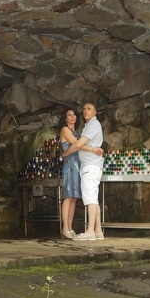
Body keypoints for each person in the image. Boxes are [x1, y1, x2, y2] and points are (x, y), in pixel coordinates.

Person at [63, 102, 104, 241]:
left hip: (90, 166)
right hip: (87, 165)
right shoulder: (87, 126)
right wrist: (93, 149)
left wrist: (65, 153)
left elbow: (78, 145)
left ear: (95, 112)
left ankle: (90, 231)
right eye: (84, 109)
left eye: (89, 109)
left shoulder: (93, 125)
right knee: (92, 198)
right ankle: (97, 230)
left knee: (90, 198)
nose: (86, 111)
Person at [58, 108, 82, 239]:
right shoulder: (65, 130)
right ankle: (65, 228)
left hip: (77, 165)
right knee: (68, 196)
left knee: (74, 197)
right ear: (65, 118)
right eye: (69, 115)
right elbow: (76, 144)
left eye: (74, 115)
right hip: (70, 165)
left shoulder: (77, 132)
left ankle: (70, 227)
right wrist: (92, 149)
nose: (72, 117)